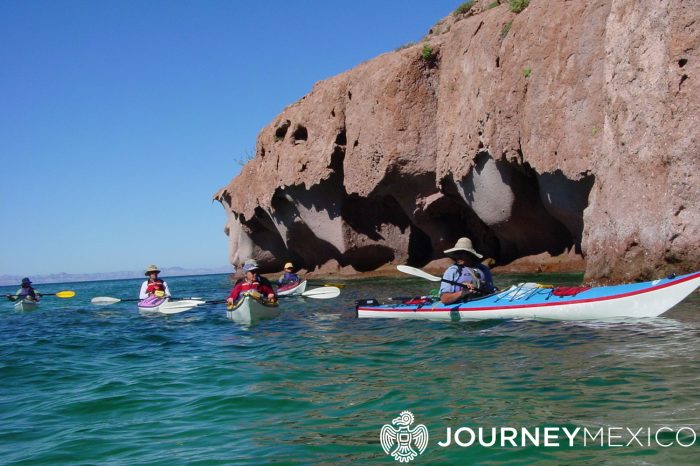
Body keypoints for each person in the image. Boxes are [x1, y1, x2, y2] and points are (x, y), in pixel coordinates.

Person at [439, 237, 496, 305]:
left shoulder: (483, 269)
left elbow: (492, 292)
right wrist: (462, 293)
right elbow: (444, 299)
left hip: (484, 302)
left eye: (461, 253)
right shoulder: (452, 271)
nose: (458, 256)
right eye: (456, 253)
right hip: (463, 304)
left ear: (470, 255)